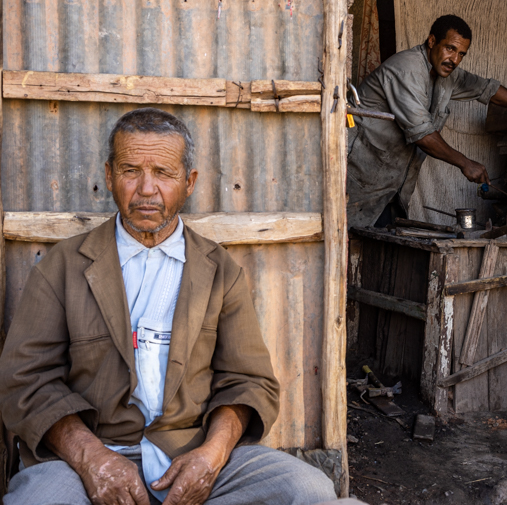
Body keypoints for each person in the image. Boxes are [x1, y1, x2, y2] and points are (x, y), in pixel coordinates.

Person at [0, 108, 338, 504]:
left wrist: (211, 457)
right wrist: (93, 459)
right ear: (109, 176)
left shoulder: (220, 271)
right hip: (90, 454)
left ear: (188, 181)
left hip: (190, 451)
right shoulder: (63, 267)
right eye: (130, 171)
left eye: (163, 173)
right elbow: (26, 380)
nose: (146, 189)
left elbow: (250, 382)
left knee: (310, 490)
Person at [346, 14, 507, 227]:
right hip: (358, 175)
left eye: (461, 54)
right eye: (450, 48)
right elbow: (422, 135)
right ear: (432, 41)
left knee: (377, 249)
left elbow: (486, 88)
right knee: (344, 242)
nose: (455, 59)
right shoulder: (407, 69)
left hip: (391, 185)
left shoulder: (445, 73)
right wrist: (466, 163)